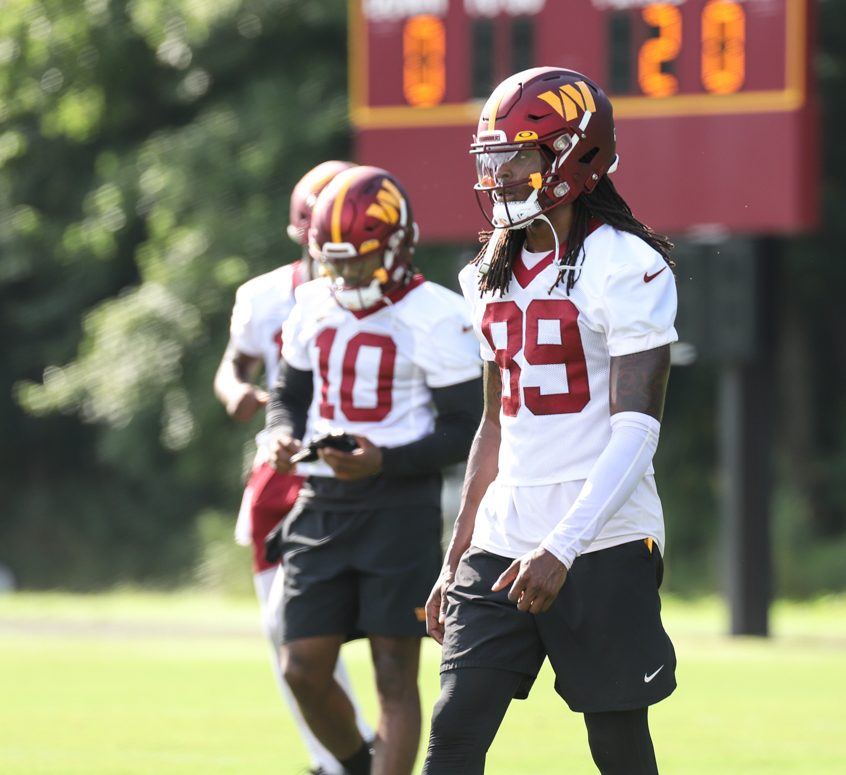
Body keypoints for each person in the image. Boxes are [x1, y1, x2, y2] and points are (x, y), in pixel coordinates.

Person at [421, 67, 679, 775]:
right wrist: (456, 556)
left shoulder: (630, 266)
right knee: (454, 734)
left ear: (577, 158)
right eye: (493, 158)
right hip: (503, 538)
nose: (501, 175)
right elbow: (493, 426)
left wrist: (563, 547)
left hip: (602, 538)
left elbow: (637, 428)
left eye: (521, 157)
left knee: (618, 745)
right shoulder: (484, 274)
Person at [265, 165, 484, 775]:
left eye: (359, 261)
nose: (347, 275)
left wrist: (385, 461)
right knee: (301, 667)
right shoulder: (311, 303)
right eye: (335, 261)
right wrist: (281, 436)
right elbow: (288, 395)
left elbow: (467, 428)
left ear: (396, 245)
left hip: (399, 506)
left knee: (394, 668)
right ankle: (359, 766)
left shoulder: (437, 314)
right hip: (322, 500)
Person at [214, 159, 371, 775]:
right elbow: (235, 366)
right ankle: (336, 760)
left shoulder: (401, 303)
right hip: (285, 475)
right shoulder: (266, 297)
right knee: (288, 634)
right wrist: (236, 395)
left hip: (363, 474)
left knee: (382, 634)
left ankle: (363, 757)